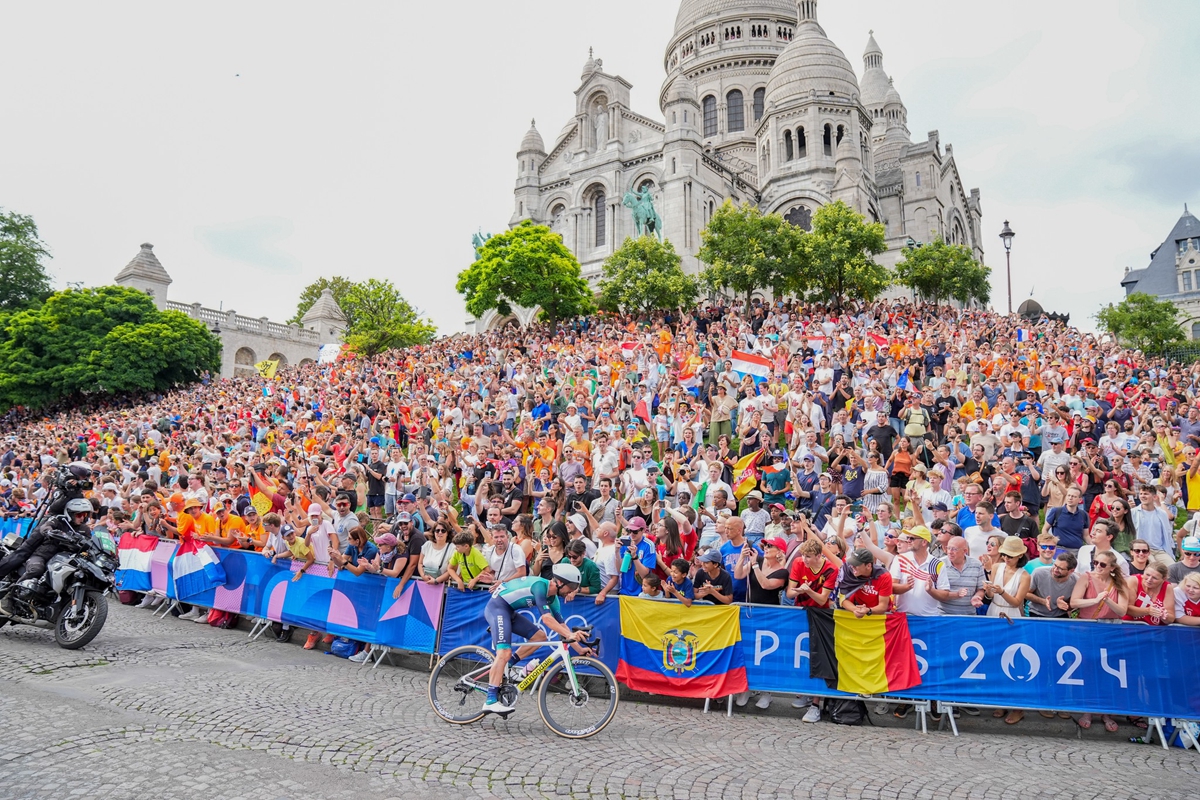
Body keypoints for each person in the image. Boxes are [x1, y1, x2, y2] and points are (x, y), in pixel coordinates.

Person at [480, 565, 584, 714]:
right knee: (504, 652)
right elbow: (547, 619)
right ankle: (490, 701)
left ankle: (507, 666)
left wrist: (580, 649)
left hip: (508, 611)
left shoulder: (554, 599)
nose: (572, 591)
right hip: (497, 608)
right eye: (572, 586)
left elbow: (562, 625)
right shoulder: (540, 586)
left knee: (540, 637)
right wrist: (569, 635)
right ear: (560, 582)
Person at [929, 537, 985, 616]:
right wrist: (956, 594)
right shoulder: (939, 564)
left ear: (965, 551)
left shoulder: (976, 564)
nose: (950, 552)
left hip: (969, 615)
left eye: (954, 549)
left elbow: (981, 589)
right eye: (948, 548)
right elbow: (935, 592)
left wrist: (977, 597)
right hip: (944, 615)